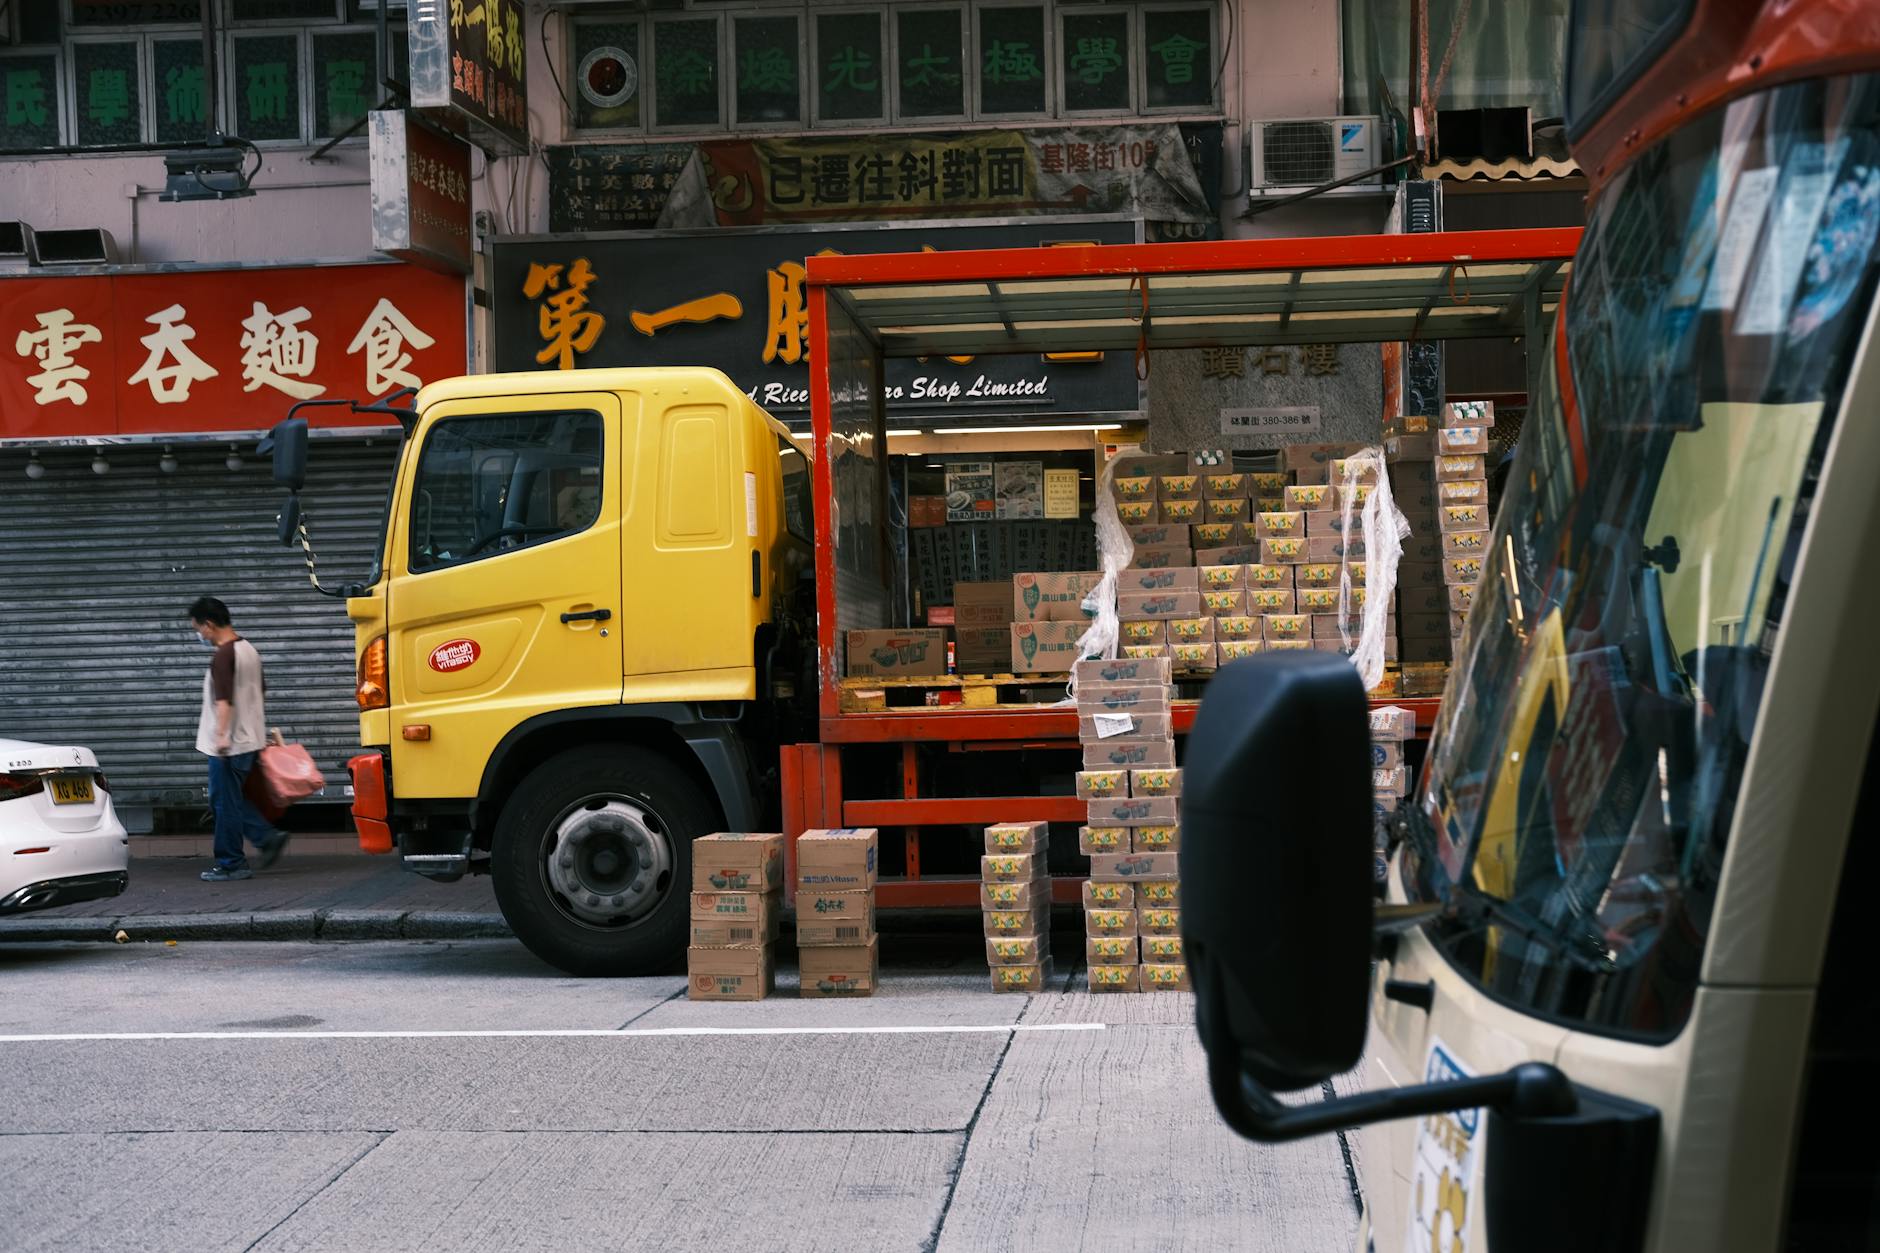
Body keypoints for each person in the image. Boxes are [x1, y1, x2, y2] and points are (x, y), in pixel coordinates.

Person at [188, 596, 288, 881]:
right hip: (248, 740)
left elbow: (225, 701)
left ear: (209, 624)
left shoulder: (223, 655)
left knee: (223, 804)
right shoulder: (249, 650)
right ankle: (266, 837)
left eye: (199, 629)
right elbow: (258, 694)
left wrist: (221, 737)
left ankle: (231, 863)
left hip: (229, 745)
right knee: (230, 800)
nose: (200, 635)